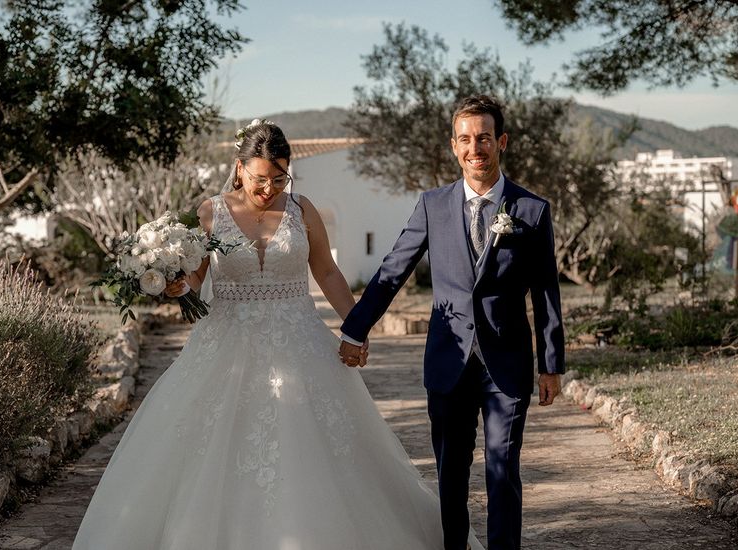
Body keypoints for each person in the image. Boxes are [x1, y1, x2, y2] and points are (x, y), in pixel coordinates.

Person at [73, 121, 483, 549]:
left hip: (300, 342)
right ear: (239, 169)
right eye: (259, 179)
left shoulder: (302, 210)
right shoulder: (210, 211)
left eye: (279, 178)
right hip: (225, 347)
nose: (269, 188)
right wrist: (177, 286)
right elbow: (195, 278)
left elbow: (326, 271)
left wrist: (356, 328)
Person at [339, 95, 566, 550]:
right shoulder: (432, 205)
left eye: (483, 137)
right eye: (465, 139)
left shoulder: (531, 210)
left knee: (502, 468)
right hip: (448, 362)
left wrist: (551, 362)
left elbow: (545, 291)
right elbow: (393, 269)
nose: (474, 147)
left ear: (501, 142)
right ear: (453, 146)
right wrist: (354, 328)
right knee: (450, 474)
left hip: (507, 362)